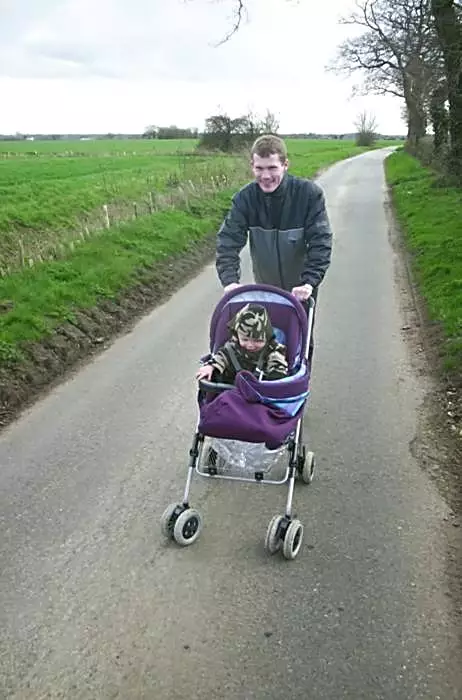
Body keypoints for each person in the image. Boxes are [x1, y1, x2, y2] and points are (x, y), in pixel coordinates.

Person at [215, 134, 333, 364]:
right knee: (260, 339)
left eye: (272, 168)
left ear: (285, 165)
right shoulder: (245, 199)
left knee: (300, 341)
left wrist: (309, 281)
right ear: (252, 166)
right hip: (265, 286)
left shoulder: (309, 195)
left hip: (301, 288)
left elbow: (321, 242)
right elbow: (228, 240)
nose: (265, 176)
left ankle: (297, 386)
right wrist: (230, 282)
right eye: (259, 168)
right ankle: (264, 389)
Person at [196, 303, 288, 385]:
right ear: (237, 336)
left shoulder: (272, 351)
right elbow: (221, 357)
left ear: (267, 338)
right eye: (245, 339)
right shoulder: (232, 348)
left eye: (257, 341)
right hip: (232, 389)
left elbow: (278, 364)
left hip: (262, 394)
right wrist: (211, 366)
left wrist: (276, 376)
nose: (250, 345)